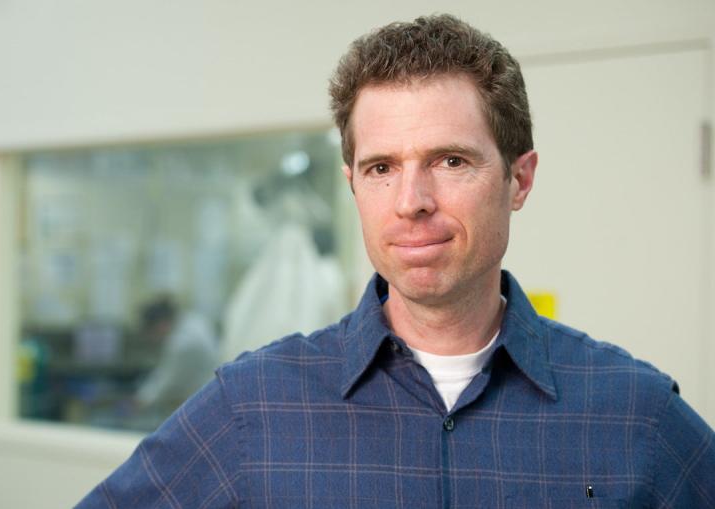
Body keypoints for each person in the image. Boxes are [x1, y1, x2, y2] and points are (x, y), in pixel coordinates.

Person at [77, 14, 715, 508]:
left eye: (451, 161)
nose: (412, 202)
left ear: (519, 181)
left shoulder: (636, 414)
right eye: (382, 168)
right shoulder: (255, 409)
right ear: (353, 183)